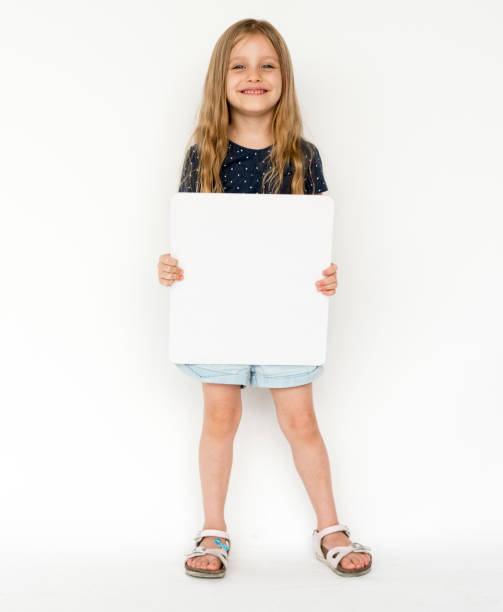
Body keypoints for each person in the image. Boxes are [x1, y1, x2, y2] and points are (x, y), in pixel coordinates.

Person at [157, 18, 372, 579]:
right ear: (220, 79)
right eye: (240, 65)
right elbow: (192, 239)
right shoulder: (201, 154)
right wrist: (171, 266)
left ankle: (330, 526)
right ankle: (214, 528)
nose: (254, 75)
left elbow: (314, 242)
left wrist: (326, 277)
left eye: (266, 64)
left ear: (284, 77)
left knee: (300, 421)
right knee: (220, 418)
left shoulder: (303, 156)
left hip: (285, 318)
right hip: (219, 315)